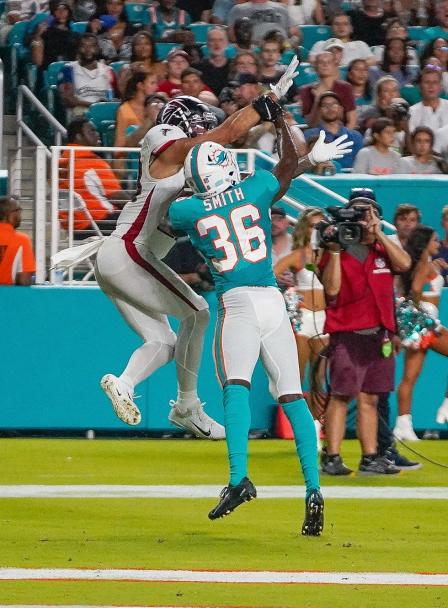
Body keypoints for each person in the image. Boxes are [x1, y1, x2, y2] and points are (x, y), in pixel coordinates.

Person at [168, 113, 348, 533]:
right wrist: (297, 141)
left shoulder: (188, 209)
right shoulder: (254, 189)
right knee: (292, 396)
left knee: (235, 389)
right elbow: (285, 170)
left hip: (239, 302)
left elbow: (170, 211)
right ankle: (314, 490)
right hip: (273, 302)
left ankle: (238, 479)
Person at [87, 82, 295, 435]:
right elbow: (227, 132)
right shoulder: (163, 142)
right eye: (199, 123)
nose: (204, 130)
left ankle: (125, 383)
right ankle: (187, 406)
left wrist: (302, 160)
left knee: (164, 342)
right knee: (197, 312)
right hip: (128, 252)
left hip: (127, 259)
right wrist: (265, 105)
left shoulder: (193, 173)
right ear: (180, 121)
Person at [316, 195, 412, 476]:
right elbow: (332, 291)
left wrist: (379, 232)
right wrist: (334, 251)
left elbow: (405, 264)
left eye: (368, 214)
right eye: (358, 215)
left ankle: (370, 458)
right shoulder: (340, 247)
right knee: (342, 396)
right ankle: (331, 457)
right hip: (348, 332)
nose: (363, 220)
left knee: (370, 398)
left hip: (380, 334)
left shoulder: (383, 249)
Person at [393, 225, 448, 442]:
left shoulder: (416, 263)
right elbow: (416, 290)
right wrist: (426, 320)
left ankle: (403, 424)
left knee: (409, 377)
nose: (438, 244)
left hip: (419, 324)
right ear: (425, 244)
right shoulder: (423, 265)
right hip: (426, 324)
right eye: (435, 241)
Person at [273, 209, 328, 444]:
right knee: (299, 375)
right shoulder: (299, 255)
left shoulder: (333, 254)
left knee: (320, 377)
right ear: (305, 229)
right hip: (304, 317)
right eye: (313, 226)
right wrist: (287, 288)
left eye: (321, 226)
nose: (317, 231)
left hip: (326, 319)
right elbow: (272, 274)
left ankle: (316, 427)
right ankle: (301, 427)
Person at [59, 118, 125, 235]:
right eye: (92, 131)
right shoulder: (92, 162)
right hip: (97, 223)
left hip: (74, 227)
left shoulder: (60, 161)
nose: (97, 134)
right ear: (79, 136)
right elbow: (117, 196)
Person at [59, 33, 118, 120]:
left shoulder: (108, 70)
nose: (88, 50)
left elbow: (117, 97)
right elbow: (68, 100)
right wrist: (95, 106)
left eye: (92, 46)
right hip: (81, 115)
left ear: (98, 49)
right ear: (78, 49)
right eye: (84, 46)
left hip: (106, 115)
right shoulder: (69, 69)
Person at [304, 92, 364, 170]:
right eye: (325, 105)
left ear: (340, 109)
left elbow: (360, 165)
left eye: (334, 104)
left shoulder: (355, 136)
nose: (330, 108)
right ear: (319, 110)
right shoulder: (309, 135)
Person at [302, 51, 357, 130]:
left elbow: (352, 121)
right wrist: (317, 101)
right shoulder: (307, 91)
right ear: (316, 67)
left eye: (329, 62)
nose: (325, 65)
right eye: (321, 62)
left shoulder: (345, 88)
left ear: (335, 66)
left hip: (343, 134)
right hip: (317, 137)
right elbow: (311, 124)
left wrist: (342, 137)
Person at [0, 197, 35, 286]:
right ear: (10, 215)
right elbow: (24, 280)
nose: (20, 215)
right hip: (7, 296)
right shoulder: (21, 240)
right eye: (19, 211)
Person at [408, 66, 448, 132]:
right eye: (427, 82)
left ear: (440, 87)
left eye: (435, 82)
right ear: (420, 87)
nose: (431, 86)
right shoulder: (412, 112)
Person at [226, 0, 291, 44]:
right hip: (252, 51)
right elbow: (232, 36)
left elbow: (295, 32)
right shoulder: (238, 9)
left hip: (281, 48)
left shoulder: (281, 8)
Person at [197, 25, 232, 96]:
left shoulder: (233, 66)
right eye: (212, 40)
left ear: (226, 43)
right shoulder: (198, 67)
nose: (217, 44)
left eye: (220, 40)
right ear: (207, 44)